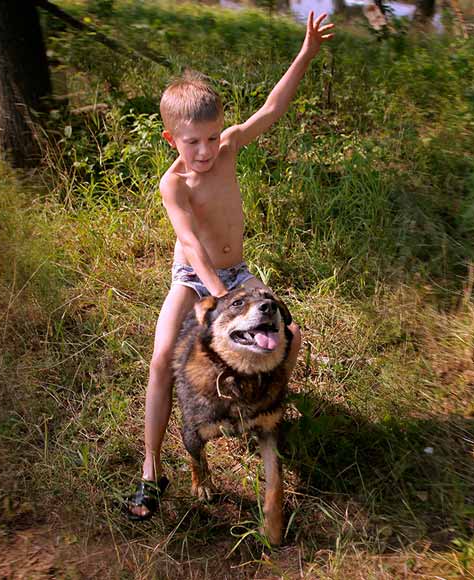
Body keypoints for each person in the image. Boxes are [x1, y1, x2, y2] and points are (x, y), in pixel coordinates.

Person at [125, 12, 335, 520]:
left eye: (212, 137)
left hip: (237, 275)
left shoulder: (229, 148)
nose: (205, 150)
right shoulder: (173, 185)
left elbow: (271, 108)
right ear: (171, 139)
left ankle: (264, 402)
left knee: (292, 332)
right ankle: (152, 469)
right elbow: (191, 246)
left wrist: (305, 53)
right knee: (160, 362)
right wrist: (219, 301)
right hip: (195, 281)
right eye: (192, 141)